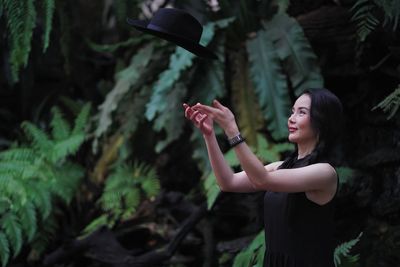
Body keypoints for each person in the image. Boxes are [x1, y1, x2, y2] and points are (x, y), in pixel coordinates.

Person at [182, 88, 344, 267]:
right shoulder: (279, 167)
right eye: (292, 111)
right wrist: (209, 135)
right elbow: (228, 182)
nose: (291, 118)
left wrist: (232, 130)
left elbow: (262, 179)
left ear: (322, 121)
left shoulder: (324, 173)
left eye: (302, 112)